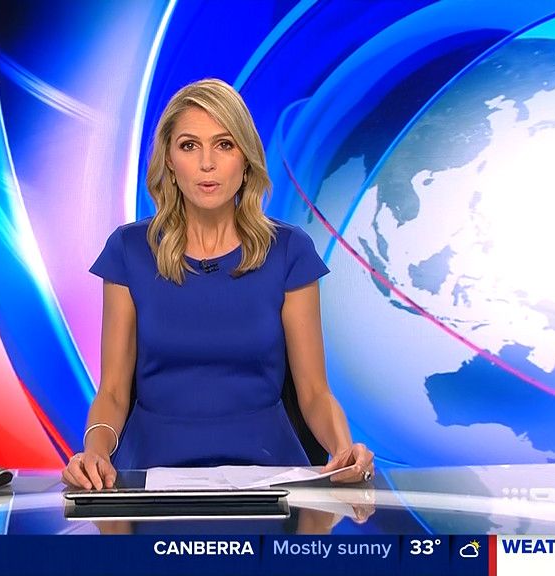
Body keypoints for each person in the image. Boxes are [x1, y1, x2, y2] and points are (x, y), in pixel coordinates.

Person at [62, 78, 374, 490]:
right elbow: (114, 393)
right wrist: (95, 454)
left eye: (224, 144)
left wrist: (343, 450)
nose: (207, 163)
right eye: (189, 145)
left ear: (245, 158)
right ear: (169, 160)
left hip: (270, 480)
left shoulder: (289, 250)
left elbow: (315, 392)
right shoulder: (129, 250)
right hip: (152, 479)